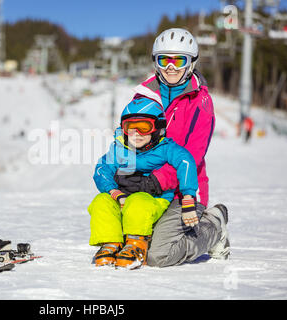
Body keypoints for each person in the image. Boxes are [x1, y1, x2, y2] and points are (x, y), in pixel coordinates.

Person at [115, 28, 230, 267]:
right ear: (156, 62)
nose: (171, 67)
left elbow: (193, 155)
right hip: (146, 188)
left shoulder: (200, 103)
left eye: (179, 60)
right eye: (164, 59)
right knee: (125, 241)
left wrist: (157, 180)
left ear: (191, 63)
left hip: (183, 192)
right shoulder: (142, 97)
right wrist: (124, 172)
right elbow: (126, 139)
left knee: (158, 256)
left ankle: (213, 227)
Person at [88, 97, 199, 269]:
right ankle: (110, 244)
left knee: (138, 201)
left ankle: (136, 244)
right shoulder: (119, 148)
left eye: (144, 127)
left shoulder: (166, 148)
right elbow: (102, 169)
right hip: (123, 198)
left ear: (158, 128)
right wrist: (113, 191)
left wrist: (188, 196)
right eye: (130, 128)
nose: (137, 133)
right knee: (100, 202)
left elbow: (186, 162)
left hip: (153, 199)